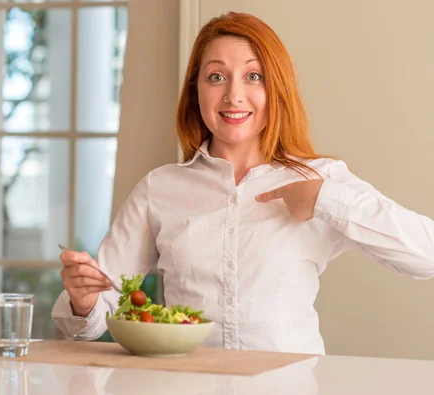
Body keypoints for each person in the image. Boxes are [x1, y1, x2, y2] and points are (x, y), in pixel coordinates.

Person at [51, 12, 434, 354]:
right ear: (195, 91)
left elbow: (426, 255)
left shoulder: (320, 179)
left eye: (254, 76)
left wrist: (323, 198)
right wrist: (83, 300)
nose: (234, 95)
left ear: (277, 89)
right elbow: (98, 312)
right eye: (216, 77)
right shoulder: (160, 188)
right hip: (188, 386)